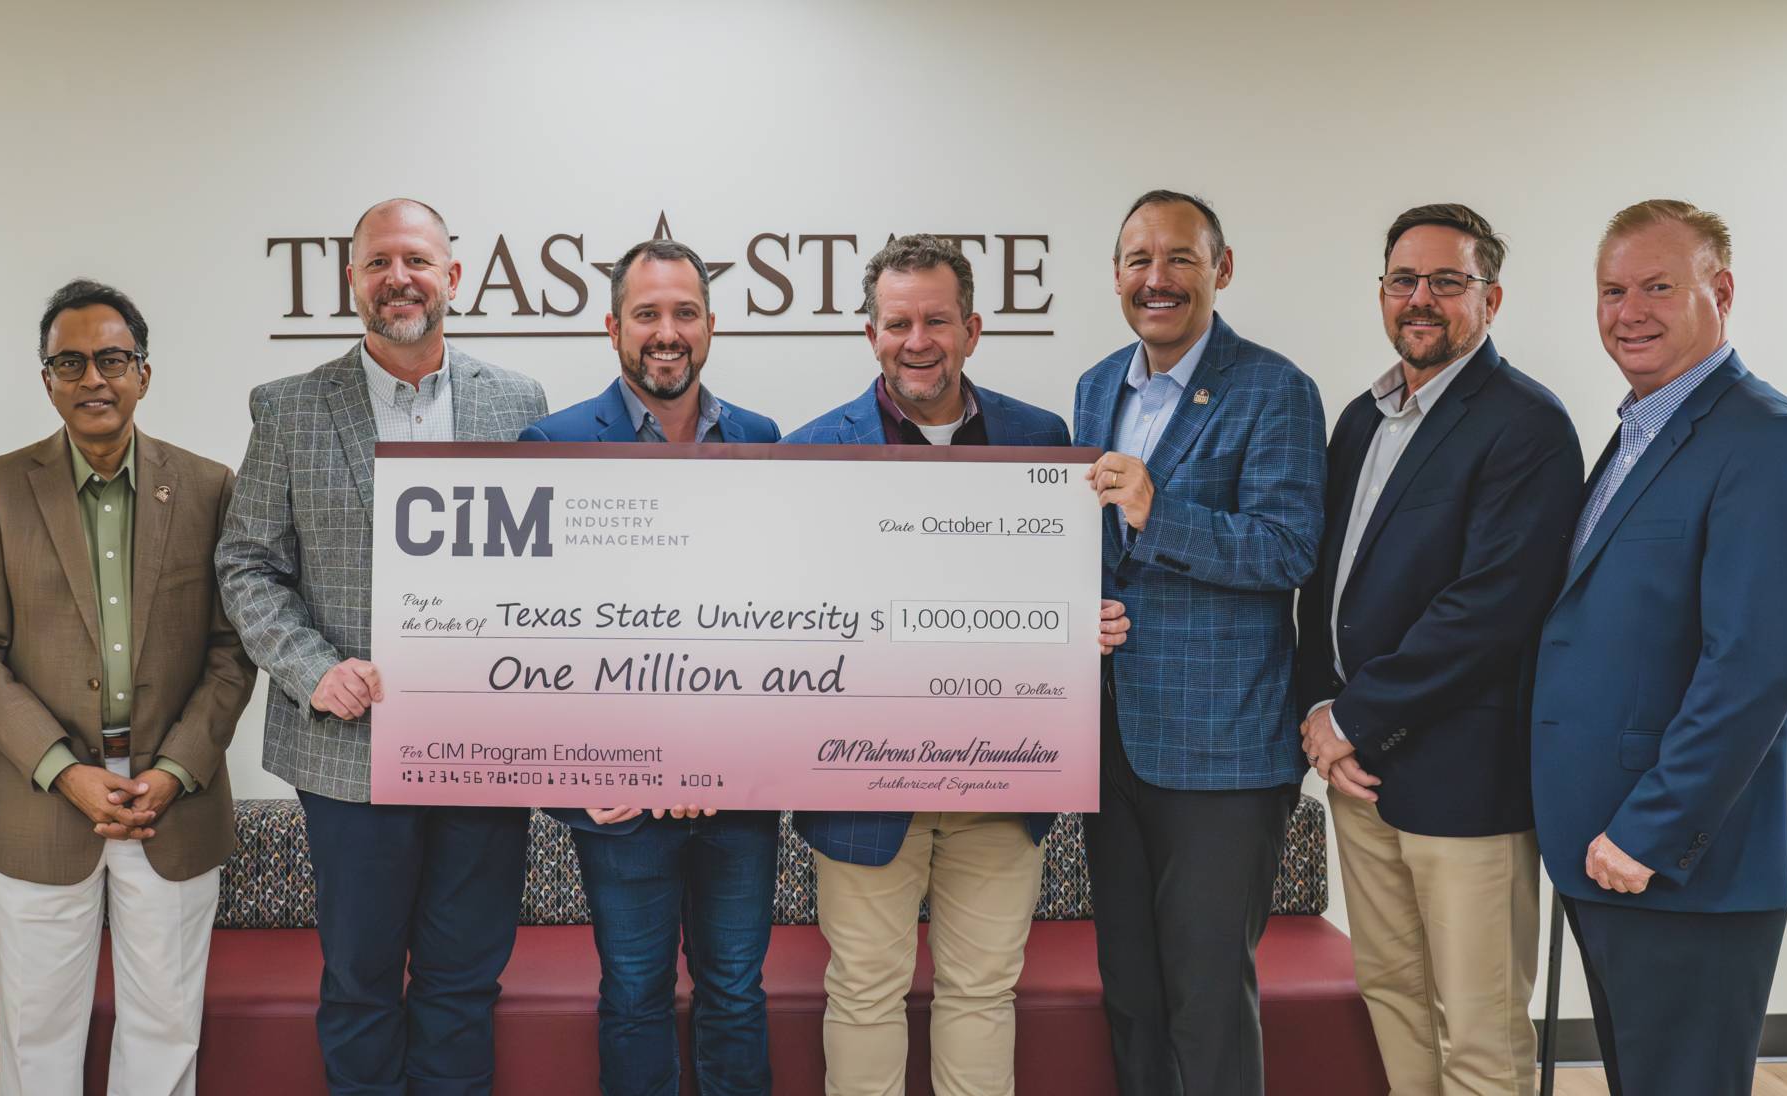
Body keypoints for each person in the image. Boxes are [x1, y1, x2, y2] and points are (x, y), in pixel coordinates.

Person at [216, 198, 550, 1095]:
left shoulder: (518, 404)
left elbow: (551, 567)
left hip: (484, 750)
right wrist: (313, 670)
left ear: (453, 276)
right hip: (348, 751)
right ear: (352, 281)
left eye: (416, 260)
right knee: (361, 985)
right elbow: (246, 564)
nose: (398, 278)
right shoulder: (289, 408)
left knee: (463, 984)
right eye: (377, 263)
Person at [786, 233, 1128, 1096]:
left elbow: (1068, 584)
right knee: (864, 989)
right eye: (898, 323)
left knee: (983, 991)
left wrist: (1085, 622)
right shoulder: (810, 449)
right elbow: (790, 620)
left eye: (937, 321)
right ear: (870, 333)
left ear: (972, 329)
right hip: (860, 779)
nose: (918, 341)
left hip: (1002, 779)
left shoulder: (1043, 438)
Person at [1533, 199, 1787, 1096]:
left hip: (1681, 859)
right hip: (1607, 849)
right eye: (1612, 291)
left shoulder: (1770, 440)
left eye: (1658, 287)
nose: (1630, 311)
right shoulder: (1640, 431)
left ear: (1722, 292)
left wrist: (1650, 831)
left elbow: (1751, 670)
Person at [1293, 204, 1582, 1095]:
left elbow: (1490, 608)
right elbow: (1324, 583)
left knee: (1480, 1032)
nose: (1421, 298)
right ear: (1382, 292)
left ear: (1491, 299)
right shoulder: (1361, 419)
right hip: (1361, 777)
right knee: (1394, 998)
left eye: (1447, 281)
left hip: (1465, 782)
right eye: (1404, 280)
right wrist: (1320, 709)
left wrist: (1351, 717)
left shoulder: (1526, 424)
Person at [0, 278, 256, 1094]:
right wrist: (65, 770)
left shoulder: (208, 487)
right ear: (46, 379)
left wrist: (175, 769)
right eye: (71, 363)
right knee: (38, 1034)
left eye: (113, 360)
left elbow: (232, 651)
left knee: (165, 1027)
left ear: (143, 373)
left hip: (172, 802)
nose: (94, 378)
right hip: (43, 799)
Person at [1073, 191, 1327, 1096]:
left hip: (1223, 753)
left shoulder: (1276, 390)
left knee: (1208, 998)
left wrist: (1159, 511)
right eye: (1139, 259)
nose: (1158, 278)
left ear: (1221, 269)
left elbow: (1290, 548)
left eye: (1180, 258)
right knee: (1132, 992)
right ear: (1115, 276)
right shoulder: (1096, 386)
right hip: (1112, 743)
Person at [520, 238, 781, 1095]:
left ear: (711, 325)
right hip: (619, 794)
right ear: (612, 328)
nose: (667, 332)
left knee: (736, 992)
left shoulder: (761, 439)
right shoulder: (553, 443)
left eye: (685, 313)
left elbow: (779, 619)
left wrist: (722, 759)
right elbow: (533, 631)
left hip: (738, 791)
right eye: (647, 315)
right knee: (635, 995)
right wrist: (581, 770)